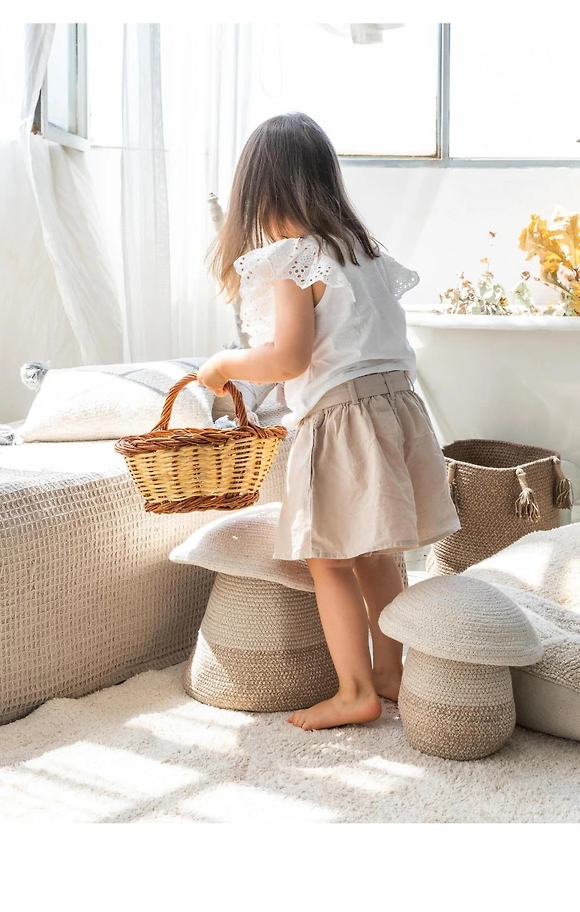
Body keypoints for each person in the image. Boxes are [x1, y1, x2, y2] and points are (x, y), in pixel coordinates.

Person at [197, 112, 460, 731]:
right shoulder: (363, 253)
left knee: (329, 559)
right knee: (375, 551)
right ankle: (392, 671)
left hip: (342, 417)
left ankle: (353, 689)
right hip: (396, 409)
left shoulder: (293, 259)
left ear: (257, 193)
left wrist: (224, 364)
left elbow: (289, 356)